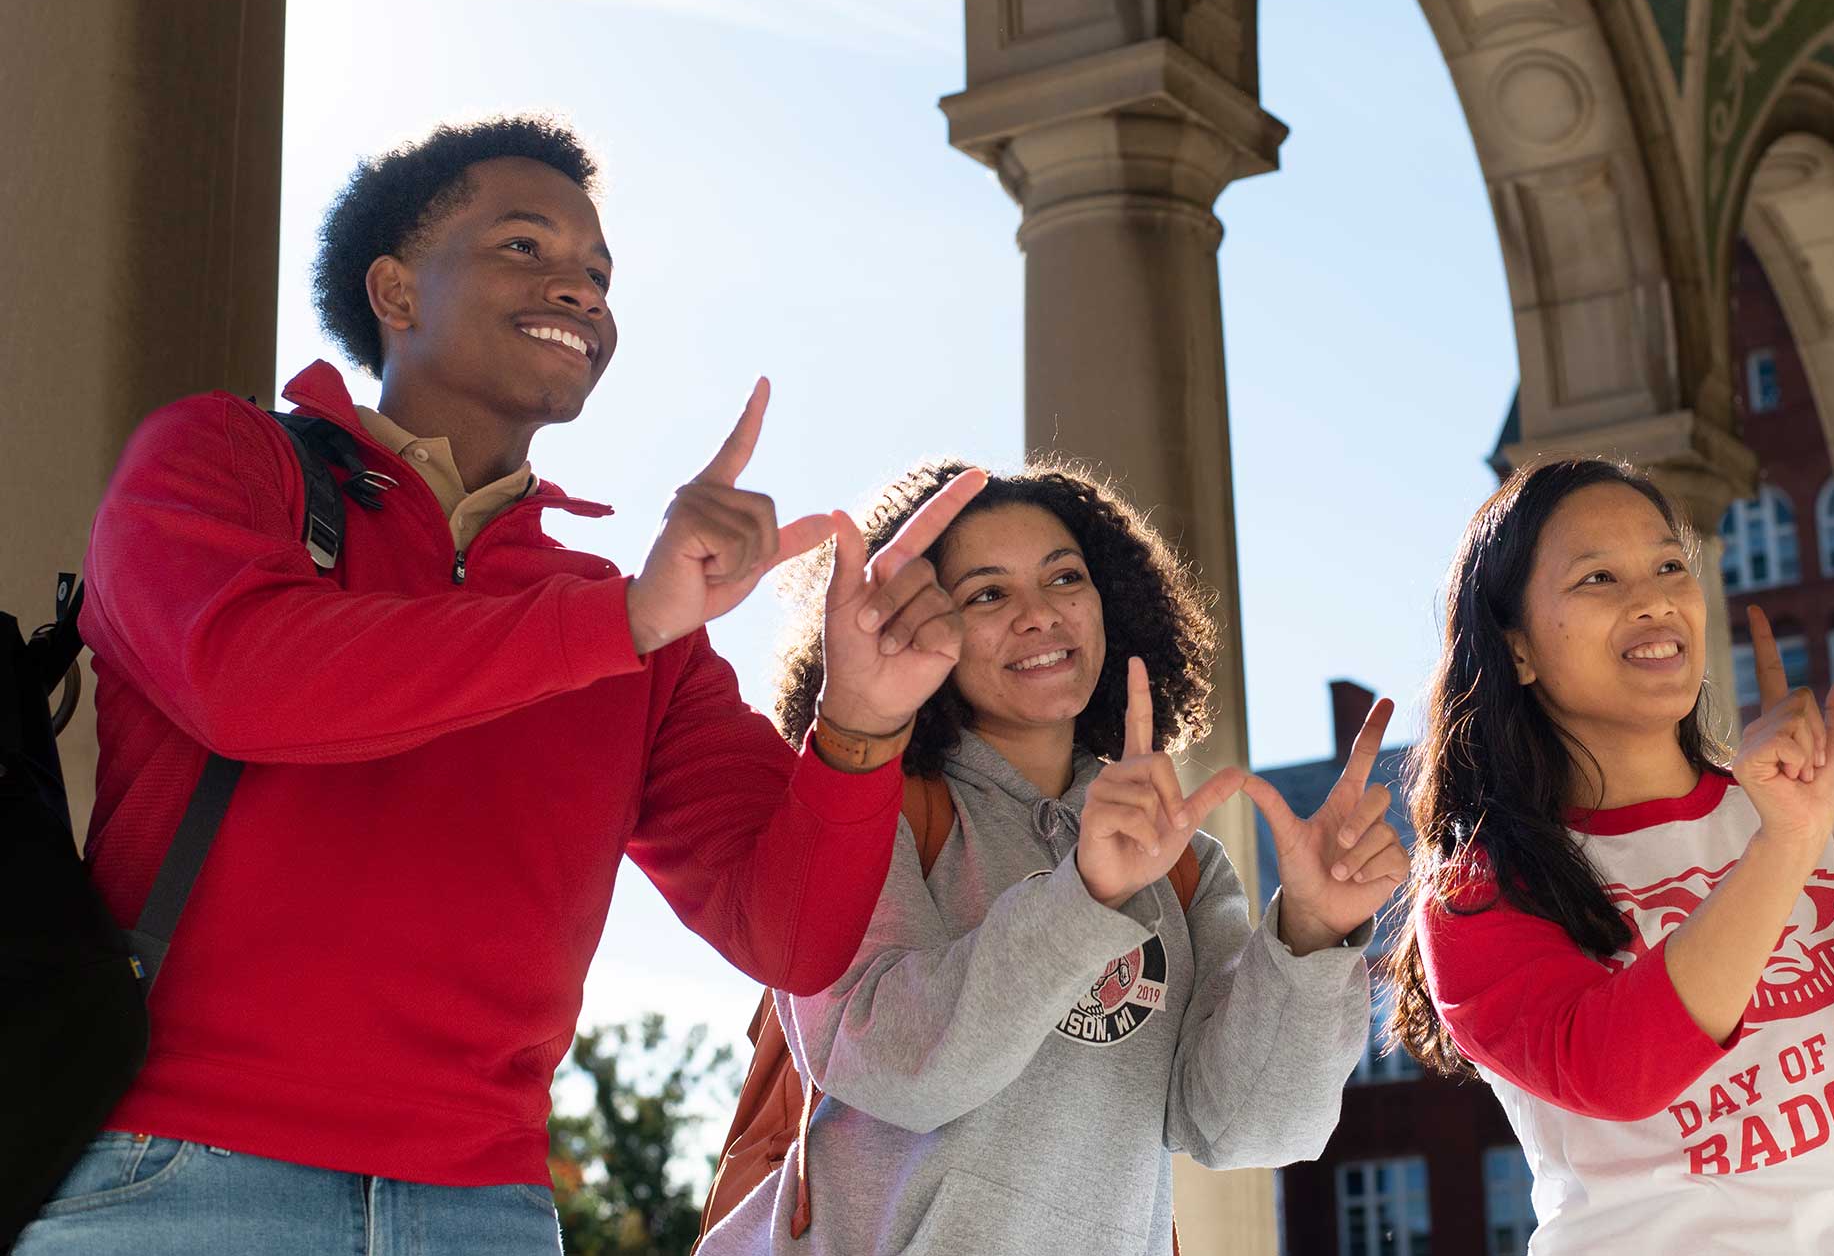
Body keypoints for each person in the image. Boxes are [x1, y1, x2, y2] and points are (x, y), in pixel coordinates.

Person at [18, 115, 984, 1254]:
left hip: (487, 1212)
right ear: (395, 289)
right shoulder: (222, 460)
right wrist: (618, 622)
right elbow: (245, 683)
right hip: (174, 1179)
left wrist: (862, 724)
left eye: (600, 274)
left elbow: (789, 936)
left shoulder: (634, 628)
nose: (579, 289)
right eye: (525, 246)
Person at [698, 460, 1408, 1256]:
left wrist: (1310, 936)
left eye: (1065, 578)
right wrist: (1086, 897)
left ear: (1112, 603)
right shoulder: (866, 814)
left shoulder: (1182, 865)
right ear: (917, 625)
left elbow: (1248, 1129)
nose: (1039, 615)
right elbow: (900, 1071)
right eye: (987, 594)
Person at [1385, 457, 1834, 1254]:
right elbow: (1619, 1072)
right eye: (1599, 578)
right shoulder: (1480, 890)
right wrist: (1784, 845)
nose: (1653, 599)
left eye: (1669, 566)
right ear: (1517, 650)